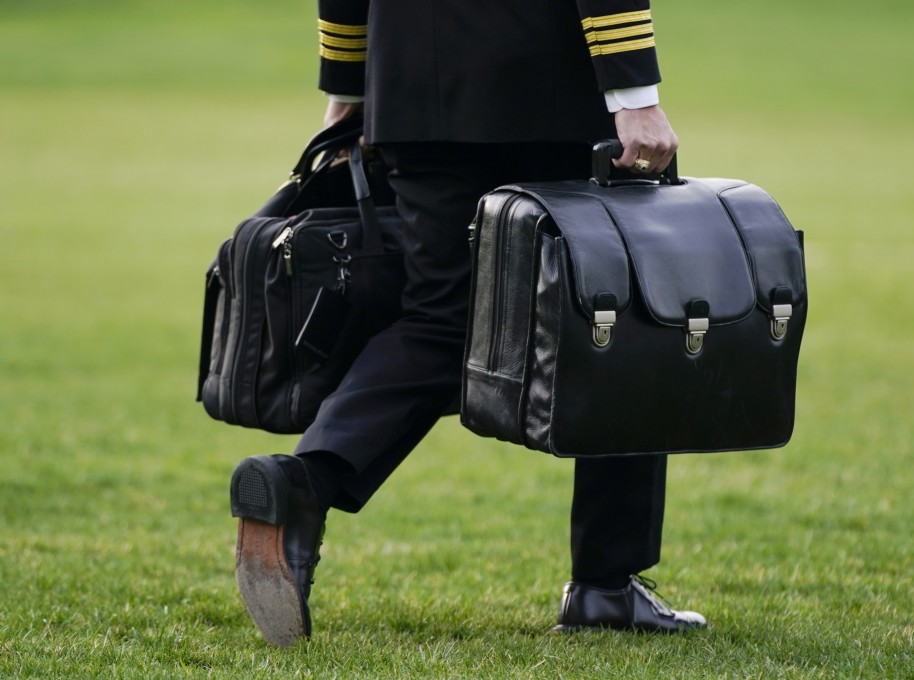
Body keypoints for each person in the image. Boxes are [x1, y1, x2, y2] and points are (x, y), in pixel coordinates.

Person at [228, 0, 706, 648]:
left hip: (412, 86)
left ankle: (303, 483)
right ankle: (605, 585)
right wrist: (634, 91)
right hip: (550, 82)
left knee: (442, 317)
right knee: (618, 311)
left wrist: (348, 84)